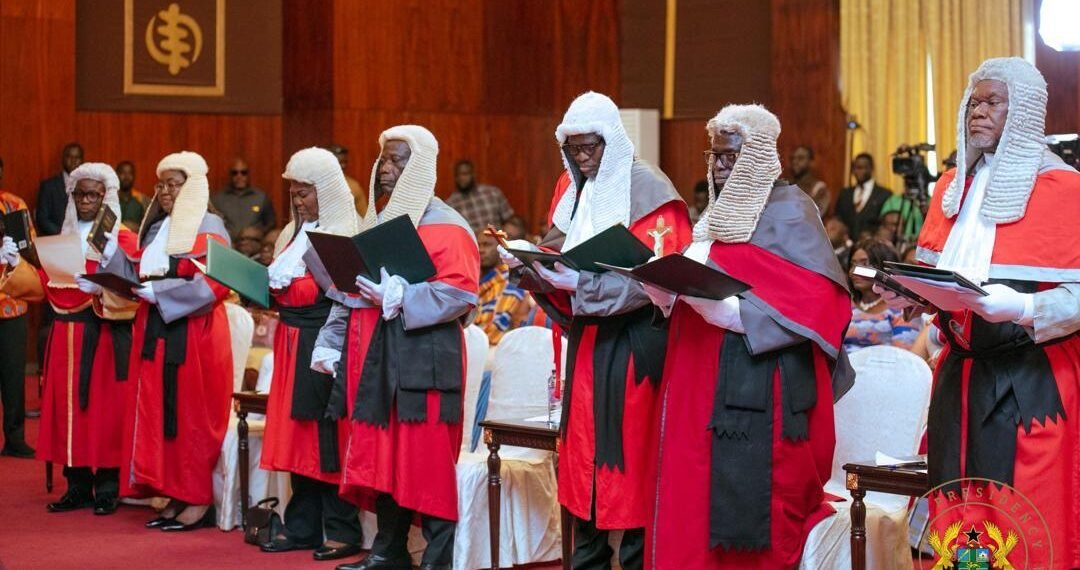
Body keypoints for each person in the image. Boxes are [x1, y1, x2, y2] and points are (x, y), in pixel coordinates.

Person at [882, 57, 1080, 569]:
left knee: (1025, 525)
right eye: (974, 101)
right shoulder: (951, 188)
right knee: (959, 520)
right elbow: (939, 279)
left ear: (1026, 112)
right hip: (958, 382)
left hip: (1028, 382)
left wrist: (1026, 305)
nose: (979, 111)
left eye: (993, 102)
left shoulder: (1066, 190)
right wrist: (912, 296)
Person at [645, 104, 852, 568]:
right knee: (690, 501)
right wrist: (662, 295)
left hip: (760, 388)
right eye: (715, 155)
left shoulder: (792, 209)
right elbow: (696, 291)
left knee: (742, 526)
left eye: (730, 156)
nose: (719, 166)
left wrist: (738, 314)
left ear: (757, 156)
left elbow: (824, 304)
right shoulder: (714, 218)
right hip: (695, 385)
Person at [503, 92, 692, 570]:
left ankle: (635, 562)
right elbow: (556, 249)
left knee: (629, 457)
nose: (583, 159)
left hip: (635, 345)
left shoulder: (650, 190)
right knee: (582, 456)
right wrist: (527, 263)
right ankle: (585, 561)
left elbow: (660, 276)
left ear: (612, 141)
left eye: (591, 148)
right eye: (575, 150)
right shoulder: (572, 187)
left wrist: (583, 283)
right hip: (587, 343)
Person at [316, 125, 479, 570]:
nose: (386, 169)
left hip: (425, 357)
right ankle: (389, 551)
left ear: (421, 168)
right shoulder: (374, 224)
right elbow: (350, 290)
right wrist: (330, 342)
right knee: (387, 454)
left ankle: (437, 559)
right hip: (377, 358)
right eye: (383, 159)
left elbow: (461, 295)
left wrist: (406, 297)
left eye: (398, 161)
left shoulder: (449, 224)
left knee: (425, 460)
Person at [117, 151, 234, 532]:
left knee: (191, 418)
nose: (165, 191)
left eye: (173, 183)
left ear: (193, 186)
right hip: (159, 334)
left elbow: (216, 283)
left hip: (195, 338)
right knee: (163, 417)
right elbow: (141, 268)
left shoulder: (210, 225)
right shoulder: (156, 228)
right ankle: (174, 492)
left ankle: (199, 501)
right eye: (161, 183)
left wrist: (162, 293)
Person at [259, 148, 363, 561]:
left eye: (305, 193)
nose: (298, 201)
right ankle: (302, 525)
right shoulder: (292, 232)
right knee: (300, 438)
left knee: (327, 436)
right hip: (291, 343)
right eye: (294, 193)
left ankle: (342, 529)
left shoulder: (345, 231)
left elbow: (342, 294)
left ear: (327, 192)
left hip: (324, 342)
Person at [33, 163, 140, 515]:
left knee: (105, 413)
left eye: (93, 194)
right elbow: (43, 281)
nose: (85, 201)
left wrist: (104, 283)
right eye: (79, 194)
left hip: (105, 333)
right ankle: (76, 485)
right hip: (65, 333)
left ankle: (108, 487)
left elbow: (137, 284)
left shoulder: (120, 236)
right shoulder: (61, 238)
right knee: (70, 413)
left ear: (105, 196)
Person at [0, 157, 43, 458]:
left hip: (12, 305)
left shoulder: (15, 205)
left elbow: (31, 246)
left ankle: (14, 438)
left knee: (14, 375)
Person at [843, 239, 921, 352]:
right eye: (853, 264)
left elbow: (902, 356)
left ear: (883, 269)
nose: (856, 270)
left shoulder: (902, 308)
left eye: (865, 264)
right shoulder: (843, 304)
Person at [474, 231, 528, 345]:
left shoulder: (511, 280)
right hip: (474, 343)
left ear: (501, 248)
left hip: (496, 346)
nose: (481, 250)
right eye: (478, 245)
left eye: (487, 245)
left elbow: (495, 329)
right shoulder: (476, 278)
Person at [210, 157, 276, 237]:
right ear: (230, 175)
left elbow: (271, 223)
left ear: (248, 175)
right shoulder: (218, 200)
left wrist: (259, 232)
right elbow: (212, 225)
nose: (239, 176)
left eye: (243, 172)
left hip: (254, 245)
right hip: (228, 244)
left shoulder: (261, 198)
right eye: (235, 173)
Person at [834, 153, 891, 242]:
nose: (857, 172)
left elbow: (885, 224)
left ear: (871, 168)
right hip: (845, 245)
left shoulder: (884, 194)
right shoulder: (845, 194)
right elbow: (838, 219)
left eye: (861, 168)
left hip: (872, 245)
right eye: (855, 168)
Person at [445, 159, 514, 232]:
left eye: (465, 174)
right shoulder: (451, 204)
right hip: (472, 242)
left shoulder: (492, 193)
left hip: (498, 240)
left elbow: (509, 219)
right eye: (458, 175)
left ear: (473, 174)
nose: (462, 178)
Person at [36, 142, 84, 236]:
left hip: (83, 241)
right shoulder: (48, 186)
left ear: (82, 160)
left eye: (77, 157)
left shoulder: (88, 186)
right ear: (63, 159)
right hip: (56, 240)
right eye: (69, 156)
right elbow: (42, 219)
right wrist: (62, 234)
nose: (73, 161)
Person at [327, 144, 368, 217]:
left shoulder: (353, 186)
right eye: (339, 162)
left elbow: (364, 216)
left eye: (345, 162)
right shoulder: (318, 184)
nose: (343, 165)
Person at [789, 145, 831, 215]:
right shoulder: (786, 185)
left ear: (811, 162)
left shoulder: (819, 188)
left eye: (800, 158)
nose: (795, 162)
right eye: (792, 158)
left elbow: (814, 216)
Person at [115, 161, 148, 231]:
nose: (126, 176)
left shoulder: (142, 201)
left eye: (130, 173)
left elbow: (147, 228)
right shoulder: (110, 200)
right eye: (122, 173)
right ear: (116, 175)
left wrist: (137, 228)